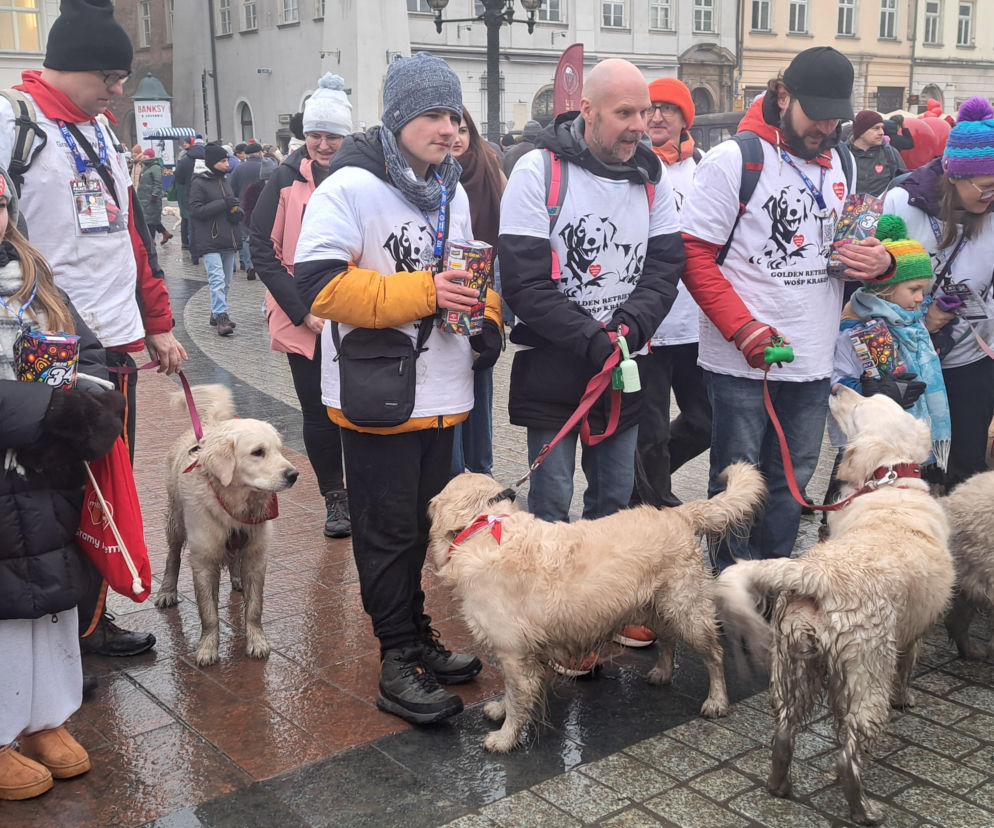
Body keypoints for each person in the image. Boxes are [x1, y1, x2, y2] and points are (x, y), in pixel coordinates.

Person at [295, 52, 501, 725]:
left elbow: (471, 276)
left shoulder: (452, 189)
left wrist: (487, 320)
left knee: (416, 527)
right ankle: (396, 660)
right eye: (435, 115)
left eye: (454, 115)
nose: (450, 128)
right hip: (379, 392)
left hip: (444, 392)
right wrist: (423, 292)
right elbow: (318, 284)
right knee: (384, 533)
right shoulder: (348, 186)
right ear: (399, 117)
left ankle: (415, 635)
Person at [0, 0, 188, 658]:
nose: (118, 89)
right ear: (73, 67)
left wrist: (156, 324)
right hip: (43, 349)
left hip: (110, 346)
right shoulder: (14, 122)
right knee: (49, 494)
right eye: (110, 76)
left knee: (103, 489)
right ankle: (56, 639)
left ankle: (89, 618)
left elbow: (129, 234)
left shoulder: (101, 128)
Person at [499, 59, 684, 673]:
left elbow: (664, 269)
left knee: (615, 500)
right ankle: (556, 623)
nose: (641, 126)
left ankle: (604, 610)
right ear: (590, 112)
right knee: (550, 504)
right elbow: (524, 281)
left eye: (646, 113)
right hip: (557, 362)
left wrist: (626, 330)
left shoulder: (652, 177)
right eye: (625, 113)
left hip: (623, 360)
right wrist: (591, 339)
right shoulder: (537, 170)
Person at [680, 47, 894, 568]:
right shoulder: (737, 159)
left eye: (834, 115)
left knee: (791, 484)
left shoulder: (842, 160)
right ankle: (732, 587)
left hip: (814, 359)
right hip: (741, 362)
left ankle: (772, 581)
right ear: (782, 95)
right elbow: (691, 254)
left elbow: (849, 247)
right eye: (814, 112)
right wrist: (743, 329)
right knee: (737, 481)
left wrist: (880, 263)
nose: (824, 125)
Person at [0, 166, 125, 799]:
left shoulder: (34, 279)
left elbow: (93, 354)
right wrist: (41, 412)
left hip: (45, 473)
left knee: (48, 596)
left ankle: (42, 716)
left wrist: (90, 404)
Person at [250, 72, 352, 538]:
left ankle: (368, 487)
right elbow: (263, 250)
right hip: (302, 319)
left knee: (360, 406)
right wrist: (301, 310)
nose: (323, 144)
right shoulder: (284, 178)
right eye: (316, 134)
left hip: (354, 313)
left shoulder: (362, 176)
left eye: (332, 135)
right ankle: (335, 496)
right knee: (317, 411)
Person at [884, 96, 994, 489]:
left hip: (972, 359)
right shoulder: (903, 203)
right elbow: (873, 287)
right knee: (908, 468)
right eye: (985, 188)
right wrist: (924, 317)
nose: (991, 196)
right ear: (955, 174)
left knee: (965, 469)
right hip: (908, 359)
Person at [632, 77, 711, 510]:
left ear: (685, 118)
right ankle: (653, 504)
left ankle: (644, 486)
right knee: (652, 434)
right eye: (651, 108)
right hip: (648, 325)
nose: (657, 117)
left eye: (668, 109)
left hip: (695, 323)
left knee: (705, 423)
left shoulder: (705, 169)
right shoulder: (633, 166)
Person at [831, 214, 949, 480]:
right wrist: (874, 391)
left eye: (924, 290)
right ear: (887, 289)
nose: (921, 299)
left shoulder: (913, 325)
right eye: (914, 289)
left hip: (901, 435)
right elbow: (837, 380)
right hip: (864, 437)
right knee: (853, 482)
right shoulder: (857, 326)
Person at [448, 107, 505, 478]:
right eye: (450, 128)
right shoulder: (428, 178)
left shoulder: (490, 169)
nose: (455, 137)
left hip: (486, 293)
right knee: (451, 381)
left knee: (480, 379)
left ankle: (481, 471)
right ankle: (453, 474)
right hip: (444, 292)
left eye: (463, 129)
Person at [189, 144, 241, 336]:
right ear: (212, 163)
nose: (227, 164)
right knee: (217, 279)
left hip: (227, 237)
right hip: (209, 238)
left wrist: (236, 211)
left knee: (226, 280)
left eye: (227, 160)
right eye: (223, 161)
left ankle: (215, 313)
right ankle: (221, 316)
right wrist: (223, 204)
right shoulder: (199, 182)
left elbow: (228, 204)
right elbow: (195, 210)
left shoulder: (224, 180)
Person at [849, 110, 905, 197]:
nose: (882, 132)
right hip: (848, 209)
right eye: (876, 128)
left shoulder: (890, 153)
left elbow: (903, 184)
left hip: (883, 209)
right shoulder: (843, 155)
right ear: (861, 131)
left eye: (882, 128)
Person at [229, 141, 263, 280]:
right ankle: (262, 264)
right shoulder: (265, 167)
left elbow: (233, 189)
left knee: (245, 238)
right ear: (260, 153)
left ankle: (249, 265)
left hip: (244, 207)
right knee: (262, 237)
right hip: (263, 206)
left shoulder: (239, 168)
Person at [137, 147, 171, 244]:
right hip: (144, 198)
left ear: (150, 156)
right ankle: (165, 233)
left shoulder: (155, 167)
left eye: (145, 155)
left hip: (151, 198)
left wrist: (155, 195)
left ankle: (152, 241)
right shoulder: (145, 166)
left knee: (150, 220)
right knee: (150, 218)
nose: (143, 157)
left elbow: (158, 183)